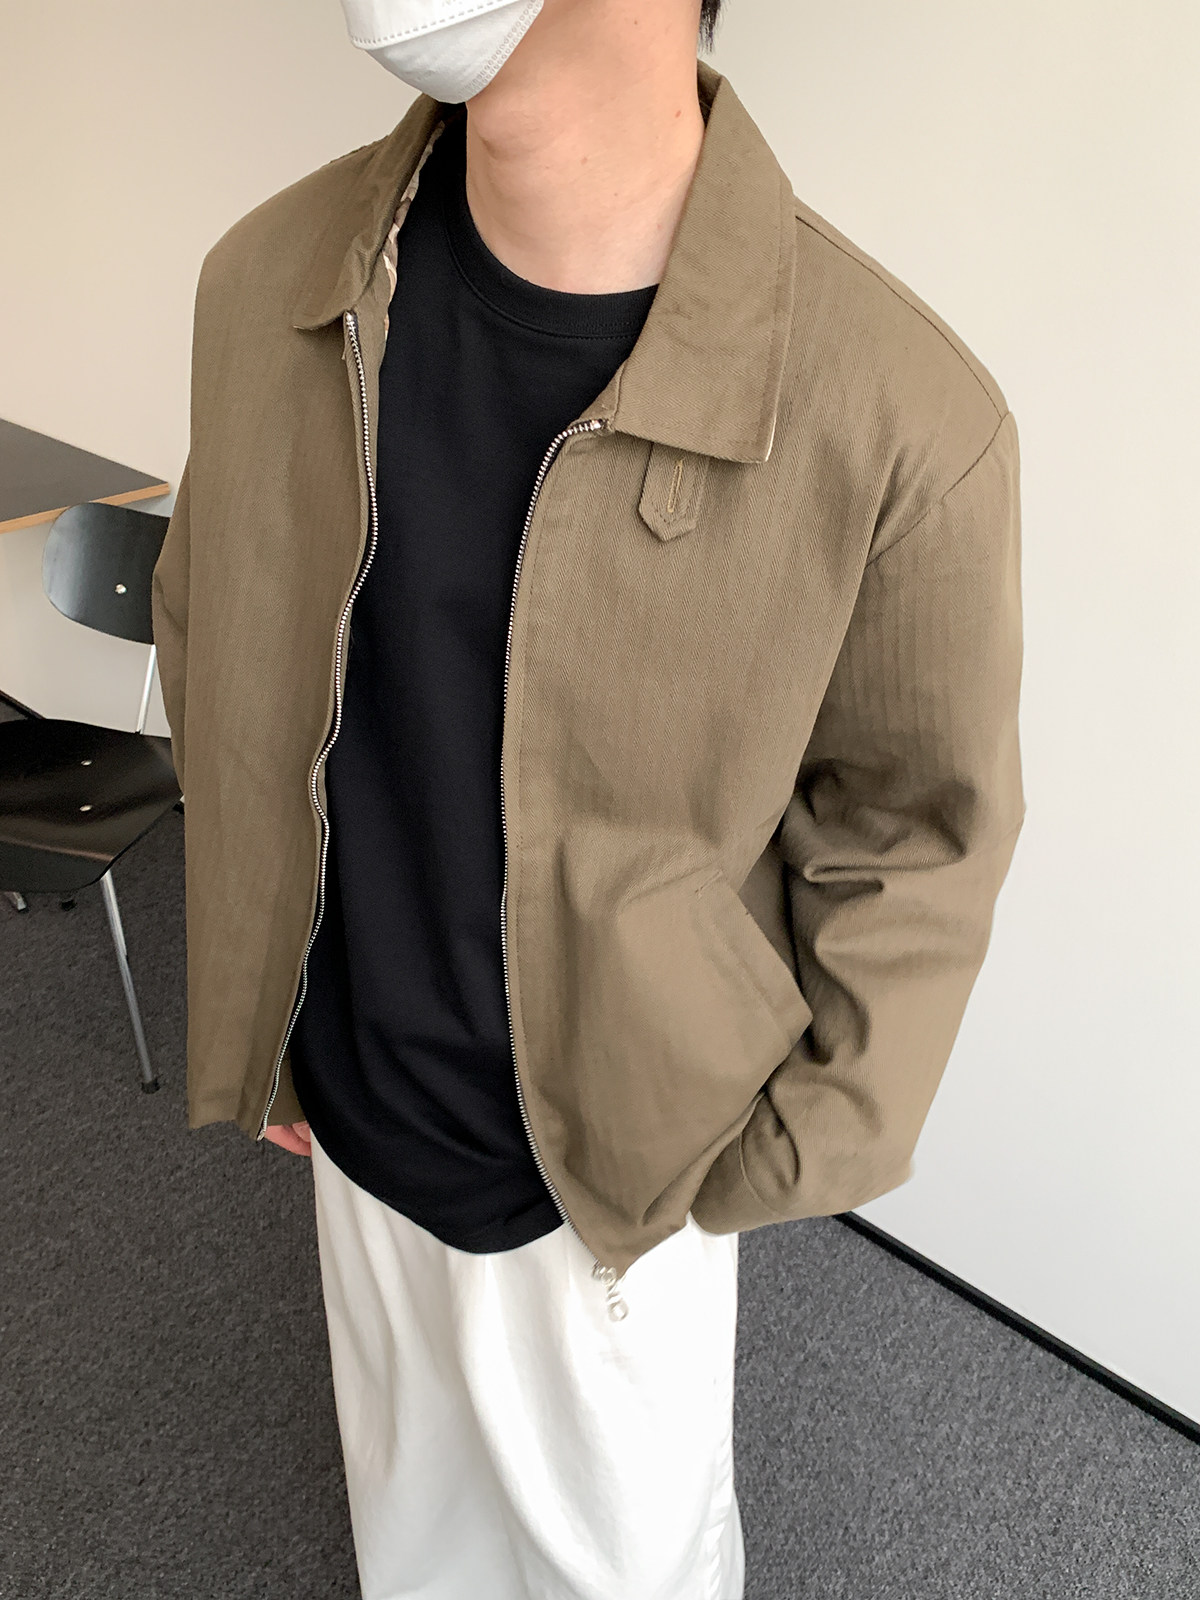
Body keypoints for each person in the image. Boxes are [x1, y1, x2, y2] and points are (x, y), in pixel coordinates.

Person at [150, 0, 1025, 1595]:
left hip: (623, 1181)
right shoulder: (270, 281)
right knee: (411, 1542)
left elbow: (915, 828)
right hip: (353, 1111)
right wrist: (262, 1000)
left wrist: (772, 1151)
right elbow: (219, 640)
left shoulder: (898, 412)